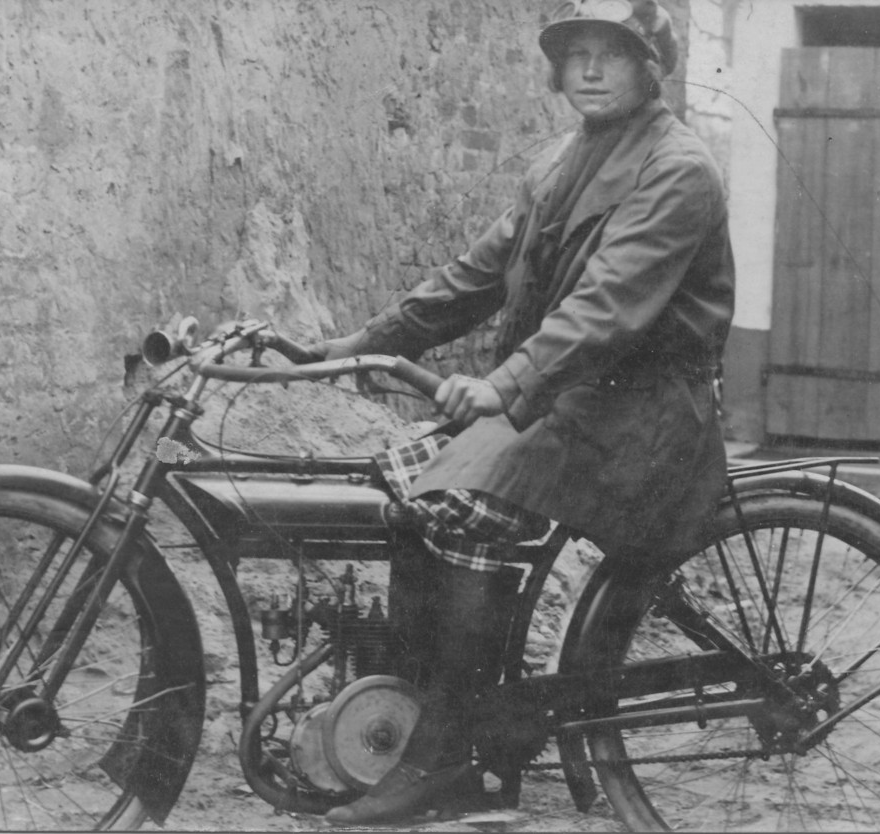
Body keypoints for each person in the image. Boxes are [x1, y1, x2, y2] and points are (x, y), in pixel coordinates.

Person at [318, 0, 735, 824]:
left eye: (609, 54)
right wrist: (353, 345)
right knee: (404, 486)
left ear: (649, 66)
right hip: (573, 399)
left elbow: (607, 305)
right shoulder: (558, 162)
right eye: (574, 53)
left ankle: (446, 759)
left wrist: (505, 386)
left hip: (643, 413)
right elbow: (474, 277)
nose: (587, 69)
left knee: (464, 508)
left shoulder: (677, 168)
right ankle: (426, 721)